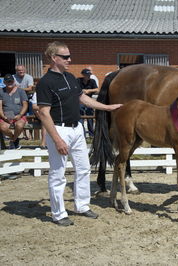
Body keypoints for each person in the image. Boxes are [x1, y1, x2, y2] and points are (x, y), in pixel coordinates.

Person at [36, 41, 122, 226]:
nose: (70, 59)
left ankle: (82, 206)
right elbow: (43, 113)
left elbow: (82, 98)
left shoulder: (70, 77)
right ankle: (58, 214)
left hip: (77, 129)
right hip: (59, 129)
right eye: (65, 57)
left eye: (69, 56)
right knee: (58, 174)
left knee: (83, 169)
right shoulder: (45, 82)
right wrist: (57, 140)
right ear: (53, 58)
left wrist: (107, 107)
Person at [0, 74, 28, 149]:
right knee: (2, 127)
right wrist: (4, 117)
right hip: (6, 116)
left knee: (19, 125)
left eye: (11, 81)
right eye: (7, 82)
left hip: (19, 115)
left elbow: (25, 105)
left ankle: (13, 140)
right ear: (4, 82)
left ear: (13, 81)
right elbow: (0, 107)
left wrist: (20, 115)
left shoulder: (21, 91)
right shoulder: (1, 91)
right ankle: (15, 139)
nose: (10, 83)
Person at [14, 64, 34, 140]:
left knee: (30, 118)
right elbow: (12, 87)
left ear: (24, 70)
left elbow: (30, 88)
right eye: (19, 70)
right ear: (16, 71)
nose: (21, 71)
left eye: (22, 70)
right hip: (17, 100)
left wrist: (19, 89)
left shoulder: (29, 77)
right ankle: (25, 134)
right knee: (21, 117)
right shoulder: (13, 77)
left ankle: (31, 135)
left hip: (28, 99)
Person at [77, 68, 99, 137]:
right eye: (87, 75)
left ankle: (91, 135)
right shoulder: (78, 80)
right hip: (80, 101)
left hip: (89, 101)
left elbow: (97, 89)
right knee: (80, 118)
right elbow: (74, 88)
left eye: (89, 74)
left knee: (90, 118)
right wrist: (82, 90)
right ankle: (82, 135)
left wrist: (89, 90)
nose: (88, 76)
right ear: (83, 75)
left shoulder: (92, 81)